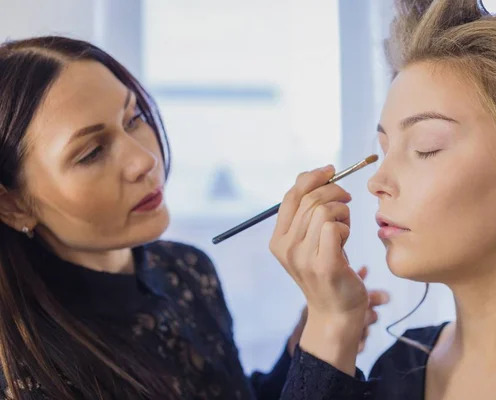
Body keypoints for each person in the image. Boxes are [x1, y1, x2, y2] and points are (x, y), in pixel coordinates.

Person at [0, 36, 389, 400]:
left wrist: (302, 349)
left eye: (133, 119)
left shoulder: (186, 270)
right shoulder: (19, 369)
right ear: (12, 204)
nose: (144, 160)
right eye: (91, 153)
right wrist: (330, 331)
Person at [272, 0, 496, 399]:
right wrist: (331, 323)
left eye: (426, 148)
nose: (377, 182)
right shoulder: (400, 367)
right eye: (384, 147)